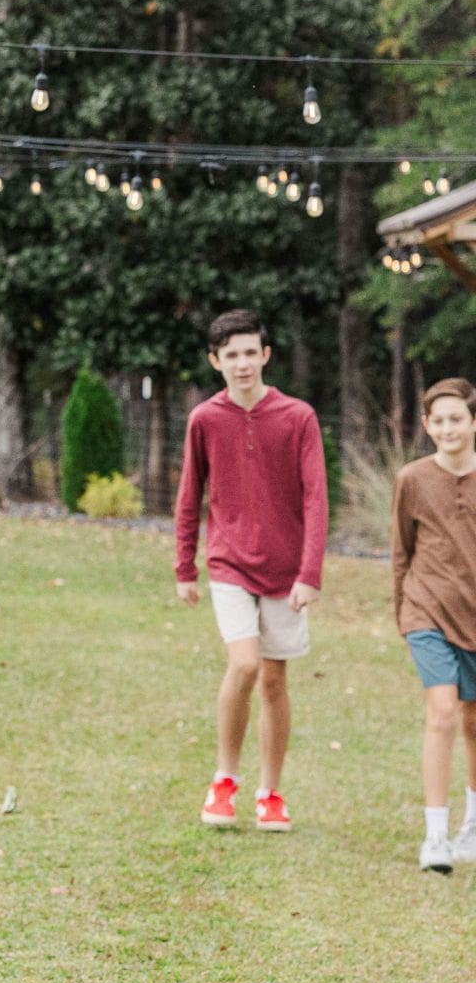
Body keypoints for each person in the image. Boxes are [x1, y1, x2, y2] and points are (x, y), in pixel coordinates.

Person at [174, 308, 328, 833]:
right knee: (244, 665)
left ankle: (271, 793)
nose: (242, 364)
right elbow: (189, 496)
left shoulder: (298, 417)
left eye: (250, 353)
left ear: (265, 355)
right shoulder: (205, 420)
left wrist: (309, 572)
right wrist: (184, 567)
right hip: (229, 562)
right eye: (230, 356)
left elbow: (316, 499)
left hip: (286, 571)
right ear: (216, 361)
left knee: (275, 680)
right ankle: (224, 781)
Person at [391, 378, 476, 874]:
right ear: (426, 426)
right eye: (438, 420)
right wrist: (403, 613)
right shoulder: (412, 479)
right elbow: (401, 550)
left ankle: (471, 827)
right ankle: (435, 837)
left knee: (472, 720)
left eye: (456, 419)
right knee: (442, 712)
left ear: (472, 422)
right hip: (427, 611)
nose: (447, 428)